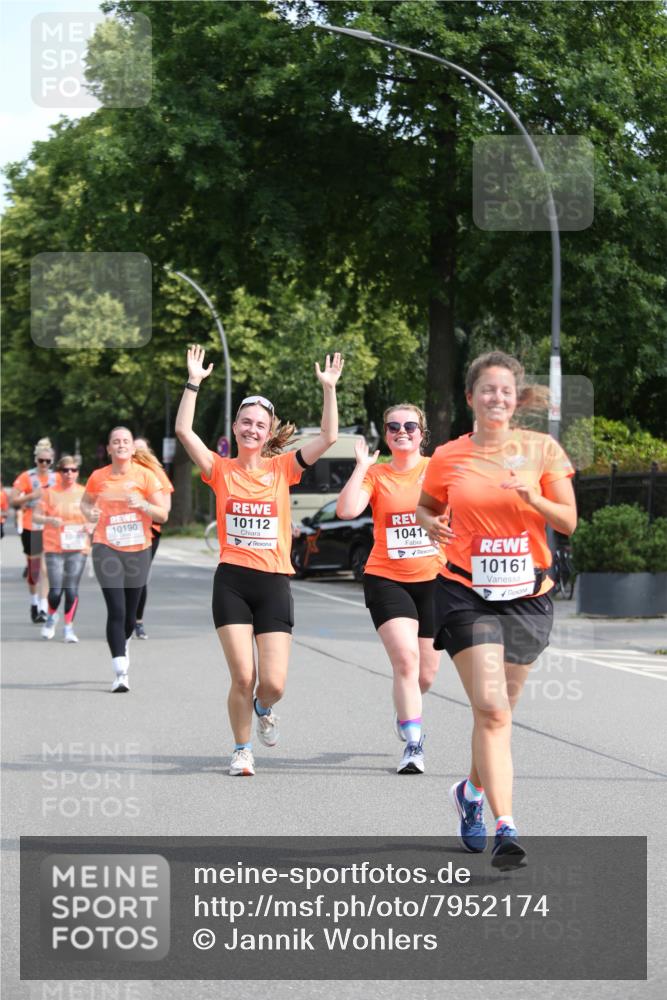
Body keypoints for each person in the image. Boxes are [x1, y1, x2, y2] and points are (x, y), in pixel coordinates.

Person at [416, 351, 576, 870]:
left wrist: (533, 497)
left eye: (505, 391)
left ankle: (469, 791)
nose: (496, 398)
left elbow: (569, 521)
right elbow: (428, 506)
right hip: (465, 592)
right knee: (492, 711)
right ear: (470, 397)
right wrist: (428, 524)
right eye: (487, 389)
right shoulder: (448, 456)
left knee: (500, 714)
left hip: (529, 597)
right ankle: (506, 826)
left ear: (516, 399)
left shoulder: (541, 449)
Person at [176, 344, 344, 777]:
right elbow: (183, 431)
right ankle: (242, 748)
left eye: (260, 425)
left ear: (269, 433)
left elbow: (327, 438)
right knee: (242, 675)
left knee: (273, 684)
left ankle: (264, 708)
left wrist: (329, 390)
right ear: (235, 427)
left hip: (273, 583)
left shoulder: (283, 468)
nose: (252, 429)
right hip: (232, 581)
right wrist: (193, 382)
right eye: (246, 422)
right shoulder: (219, 469)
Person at [336, 405, 444, 775]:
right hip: (387, 578)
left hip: (434, 581)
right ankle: (415, 744)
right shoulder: (377, 474)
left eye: (410, 425)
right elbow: (347, 510)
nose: (402, 431)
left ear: (421, 432)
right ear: (385, 433)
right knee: (406, 661)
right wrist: (362, 466)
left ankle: (405, 709)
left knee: (425, 675)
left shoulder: (437, 469)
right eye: (394, 426)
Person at [81, 427, 169, 692]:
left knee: (130, 616)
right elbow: (84, 504)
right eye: (115, 442)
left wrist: (143, 505)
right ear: (109, 448)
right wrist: (90, 514)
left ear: (132, 448)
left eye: (125, 442)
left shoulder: (146, 476)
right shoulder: (98, 477)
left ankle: (125, 639)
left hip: (138, 549)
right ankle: (120, 671)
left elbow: (162, 514)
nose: (120, 445)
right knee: (116, 610)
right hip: (105, 546)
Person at [33, 456, 92, 642]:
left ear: (77, 473)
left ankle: (68, 628)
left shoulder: (85, 493)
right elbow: (36, 517)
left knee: (72, 589)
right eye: (65, 470)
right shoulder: (49, 493)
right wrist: (49, 520)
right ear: (59, 472)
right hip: (54, 547)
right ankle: (51, 618)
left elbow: (95, 517)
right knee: (56, 590)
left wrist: (90, 526)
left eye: (73, 470)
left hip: (77, 546)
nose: (69, 473)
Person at [11, 438, 58, 622]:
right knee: (35, 571)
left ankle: (43, 607)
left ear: (52, 461)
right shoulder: (27, 477)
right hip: (32, 525)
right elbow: (14, 500)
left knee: (46, 569)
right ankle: (34, 603)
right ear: (36, 460)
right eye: (41, 461)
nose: (44, 464)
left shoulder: (57, 478)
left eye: (48, 461)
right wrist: (31, 495)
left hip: (50, 526)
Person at [131, 438, 174, 639]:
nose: (137, 451)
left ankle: (137, 621)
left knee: (140, 575)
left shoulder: (156, 473)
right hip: (124, 530)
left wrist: (145, 505)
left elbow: (166, 507)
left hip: (149, 531)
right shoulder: (122, 471)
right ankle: (124, 616)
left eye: (141, 448)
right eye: (134, 447)